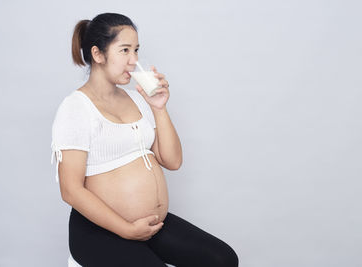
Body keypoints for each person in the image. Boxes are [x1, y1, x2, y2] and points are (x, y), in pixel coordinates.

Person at [50, 12, 239, 267]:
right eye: (125, 50)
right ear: (98, 54)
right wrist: (127, 229)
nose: (134, 60)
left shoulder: (137, 99)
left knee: (222, 259)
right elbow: (70, 190)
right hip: (98, 231)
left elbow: (172, 161)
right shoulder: (75, 108)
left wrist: (159, 107)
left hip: (149, 225)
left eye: (136, 50)